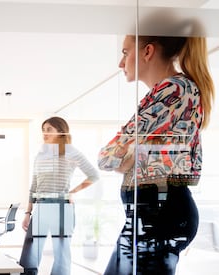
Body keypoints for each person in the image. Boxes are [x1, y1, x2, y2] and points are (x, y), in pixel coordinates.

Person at [97, 14, 215, 275]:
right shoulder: (166, 92)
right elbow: (113, 156)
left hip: (160, 216)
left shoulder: (174, 89)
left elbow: (109, 157)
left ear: (147, 51)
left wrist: (129, 152)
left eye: (125, 52)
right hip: (152, 216)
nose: (120, 62)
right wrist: (129, 151)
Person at [19, 116, 100, 275]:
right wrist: (28, 213)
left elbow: (93, 175)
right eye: (43, 130)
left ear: (61, 131)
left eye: (49, 129)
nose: (45, 133)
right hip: (41, 205)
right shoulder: (40, 155)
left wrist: (73, 191)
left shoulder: (71, 152)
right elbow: (33, 186)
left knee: (61, 250)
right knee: (30, 250)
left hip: (62, 206)